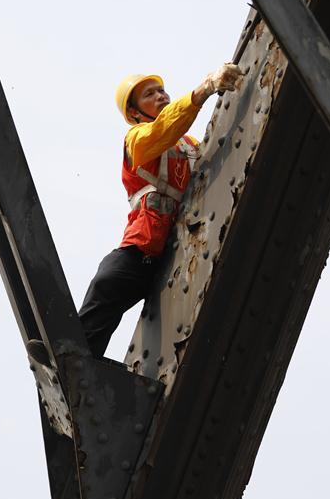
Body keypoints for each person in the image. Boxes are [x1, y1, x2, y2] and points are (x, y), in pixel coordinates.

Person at [75, 63, 243, 360]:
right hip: (143, 249)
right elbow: (164, 128)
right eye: (149, 94)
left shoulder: (189, 146)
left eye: (161, 90)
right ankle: (77, 356)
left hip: (179, 249)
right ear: (134, 112)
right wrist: (203, 90)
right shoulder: (137, 139)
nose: (160, 96)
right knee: (108, 283)